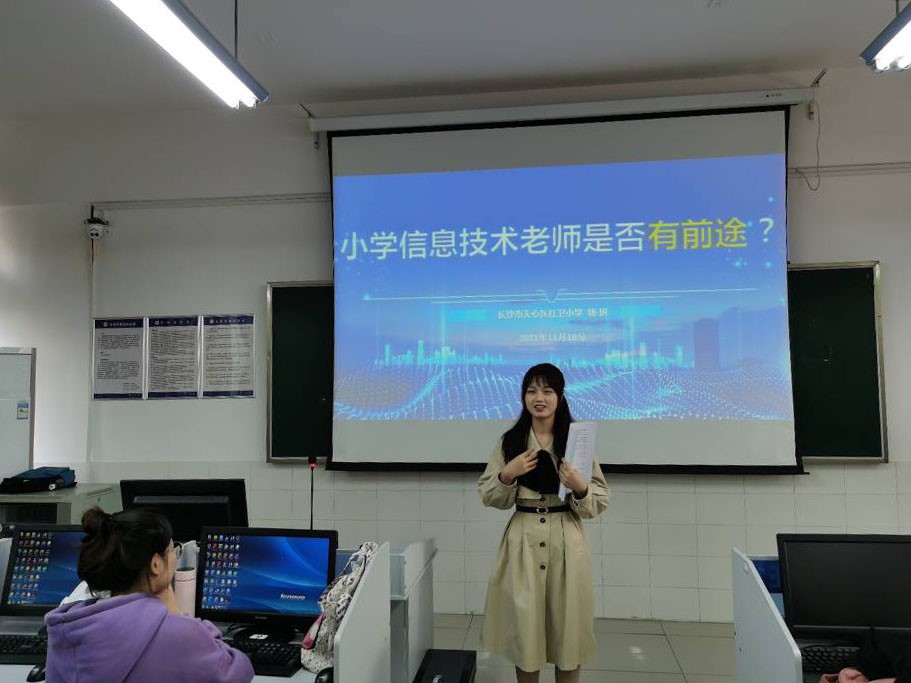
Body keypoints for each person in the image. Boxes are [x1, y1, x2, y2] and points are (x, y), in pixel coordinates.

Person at [478, 363, 610, 683]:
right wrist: (507, 475)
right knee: (525, 631)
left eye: (547, 391)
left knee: (569, 632)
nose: (539, 398)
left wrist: (580, 487)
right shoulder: (511, 441)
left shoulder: (577, 441)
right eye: (532, 391)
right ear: (523, 397)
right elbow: (489, 495)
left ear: (560, 397)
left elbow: (600, 499)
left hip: (566, 540)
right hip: (522, 541)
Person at [45, 507, 254, 683]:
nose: (175, 558)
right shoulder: (179, 633)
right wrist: (177, 612)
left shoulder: (67, 626)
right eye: (173, 550)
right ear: (156, 564)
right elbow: (239, 671)